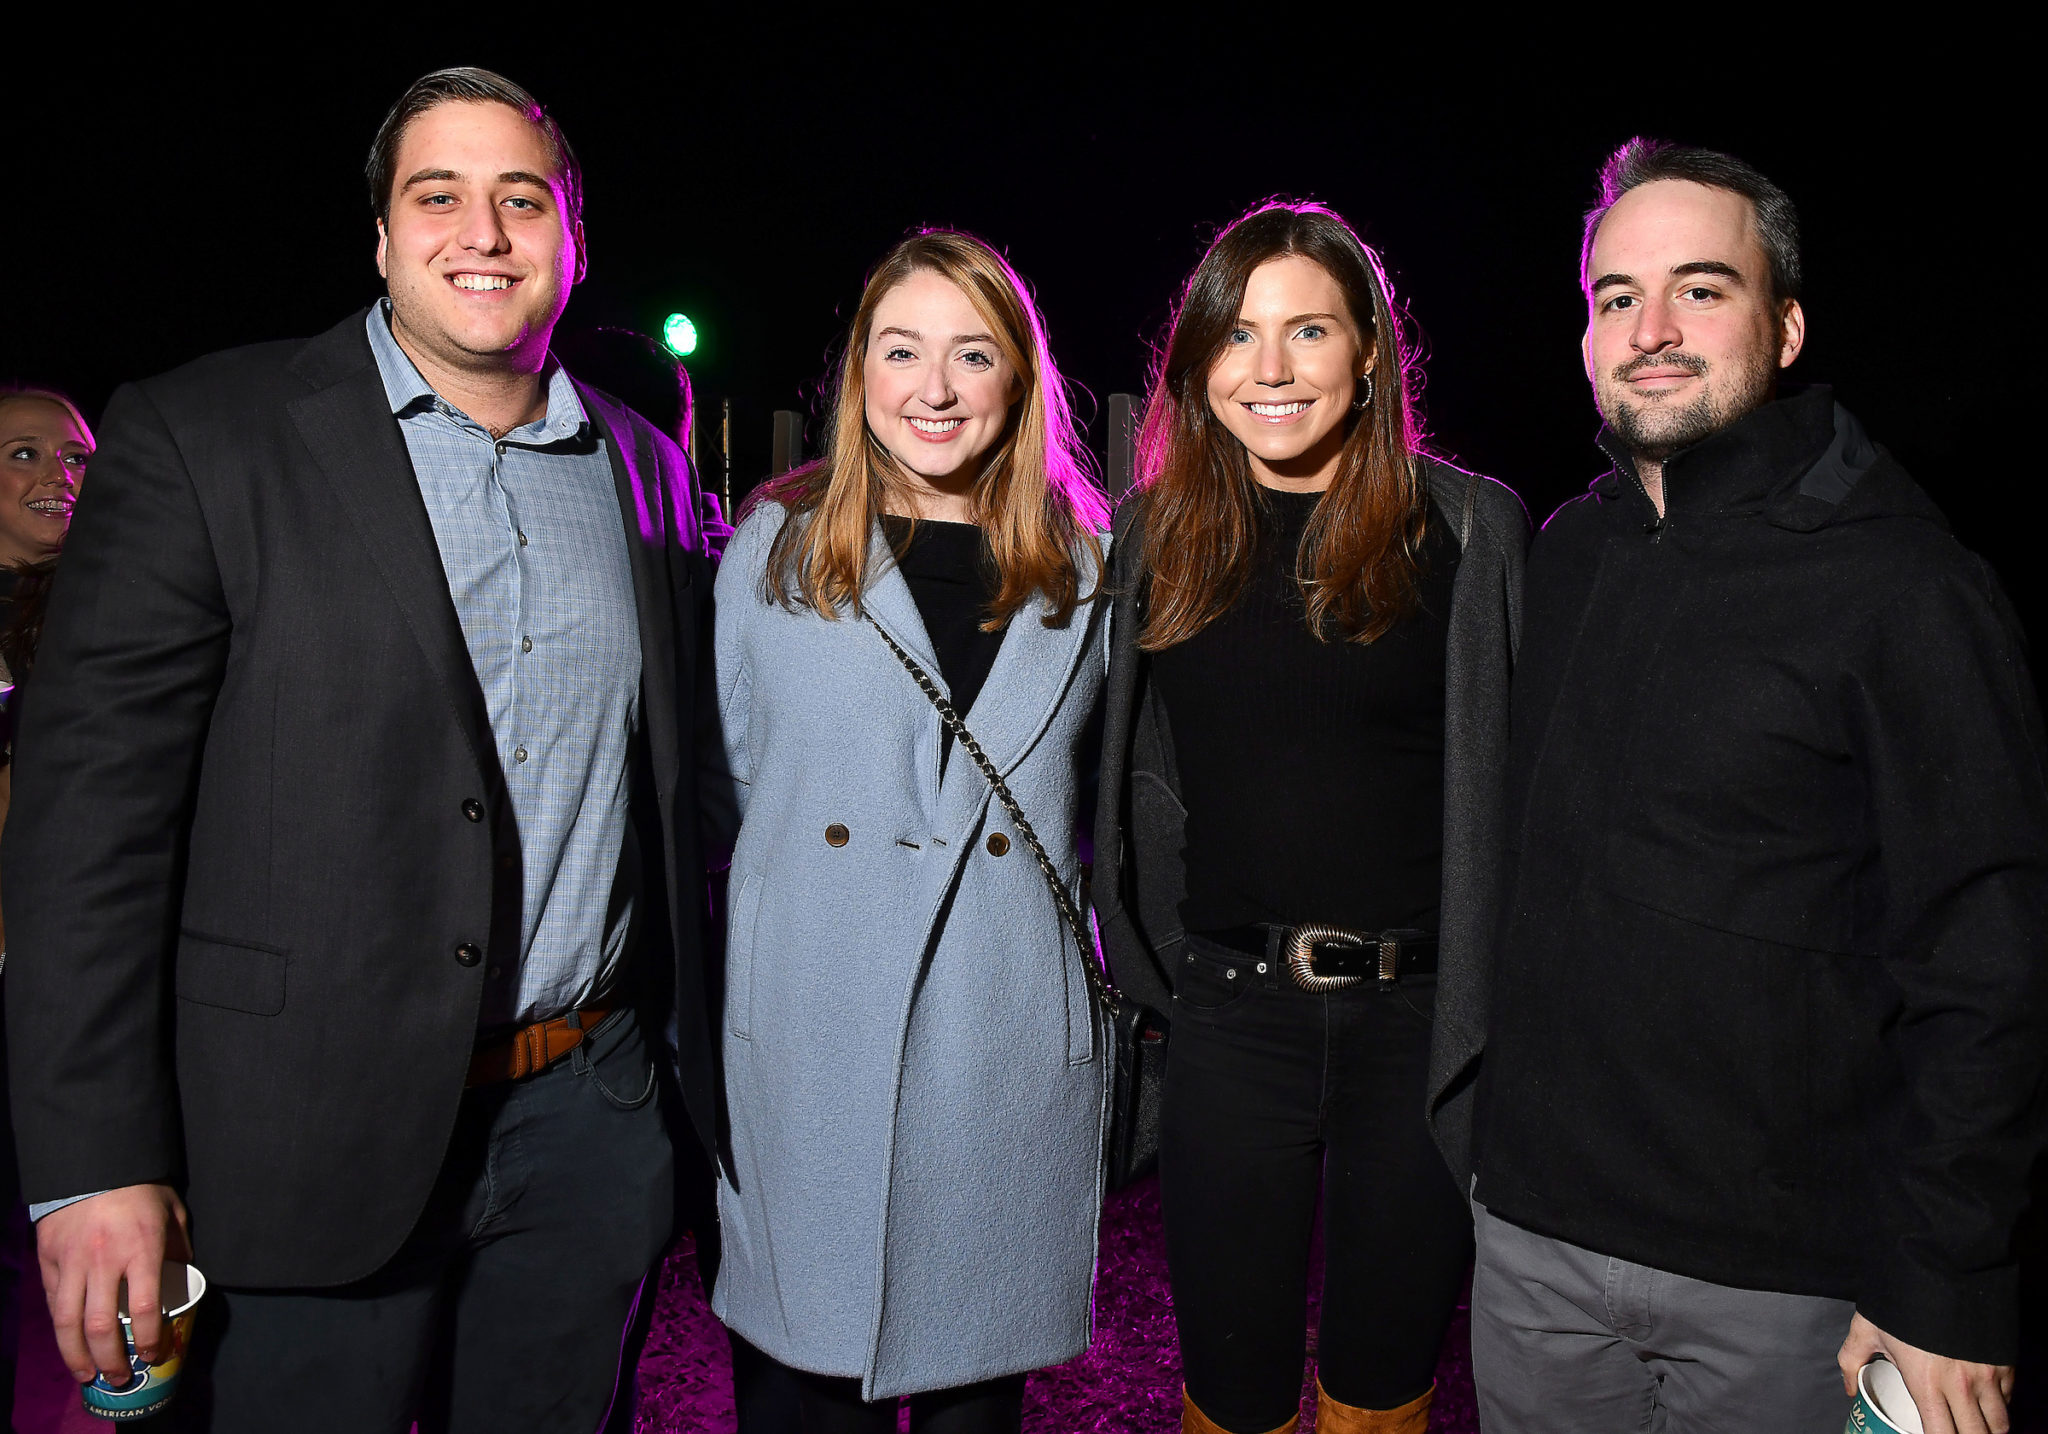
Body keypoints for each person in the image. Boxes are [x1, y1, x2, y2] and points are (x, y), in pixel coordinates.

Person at [2, 68, 720, 1433]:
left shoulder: (647, 470)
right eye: (435, 195)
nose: (482, 232)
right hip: (298, 1138)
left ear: (572, 241)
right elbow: (92, 828)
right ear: (383, 237)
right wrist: (93, 1161)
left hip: (585, 1125)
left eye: (521, 199)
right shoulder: (208, 435)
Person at [1468, 137, 2048, 1434]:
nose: (1651, 328)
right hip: (1531, 1253)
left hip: (1785, 1288)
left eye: (1701, 288)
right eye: (1617, 295)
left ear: (1785, 324)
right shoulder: (1570, 554)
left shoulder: (1907, 588)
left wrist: (1946, 1275)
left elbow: (1987, 959)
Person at [1091, 201, 1526, 1434]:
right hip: (1231, 1020)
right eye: (1236, 336)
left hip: (1423, 1032)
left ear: (1370, 354)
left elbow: (1530, 779)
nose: (1269, 370)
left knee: (1384, 1382)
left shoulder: (1470, 529)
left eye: (1308, 332)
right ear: (1196, 367)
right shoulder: (1153, 542)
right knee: (1230, 1387)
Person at [705, 229, 1110, 1434]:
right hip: (811, 1046)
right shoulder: (772, 557)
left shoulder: (1086, 572)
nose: (932, 390)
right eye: (901, 351)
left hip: (996, 1060)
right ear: (857, 376)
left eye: (971, 355)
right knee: (799, 1391)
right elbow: (732, 785)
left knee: (975, 1403)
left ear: (1019, 383)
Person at [0, 383, 93, 1431]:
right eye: (25, 456)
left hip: (68, 987)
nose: (54, 479)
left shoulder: (114, 610)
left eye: (73, 460)